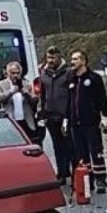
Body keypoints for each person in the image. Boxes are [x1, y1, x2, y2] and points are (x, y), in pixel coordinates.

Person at [66, 49, 107, 194]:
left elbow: (102, 99)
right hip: (75, 123)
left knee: (96, 151)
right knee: (81, 154)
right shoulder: (71, 79)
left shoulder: (94, 78)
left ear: (83, 61)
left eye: (76, 59)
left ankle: (101, 180)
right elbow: (69, 101)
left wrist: (104, 116)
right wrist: (66, 119)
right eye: (72, 59)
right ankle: (87, 180)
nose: (72, 62)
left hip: (91, 122)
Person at [39, 46, 74, 185]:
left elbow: (72, 95)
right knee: (57, 146)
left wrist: (69, 114)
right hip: (50, 116)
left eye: (53, 58)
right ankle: (62, 173)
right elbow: (42, 95)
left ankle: (73, 173)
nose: (51, 60)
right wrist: (42, 113)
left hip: (65, 115)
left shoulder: (68, 73)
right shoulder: (44, 74)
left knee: (70, 146)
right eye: (49, 57)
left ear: (59, 57)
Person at [0, 61, 44, 145]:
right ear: (8, 73)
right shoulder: (0, 84)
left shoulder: (26, 83)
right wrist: (11, 92)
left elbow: (34, 101)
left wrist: (25, 92)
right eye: (13, 73)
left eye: (18, 73)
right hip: (10, 122)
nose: (15, 75)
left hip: (26, 121)